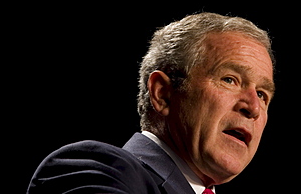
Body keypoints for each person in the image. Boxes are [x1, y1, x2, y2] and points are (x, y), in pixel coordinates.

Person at [27, 12, 276, 194]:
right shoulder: (103, 172)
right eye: (230, 79)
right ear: (162, 94)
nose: (253, 107)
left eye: (263, 94)